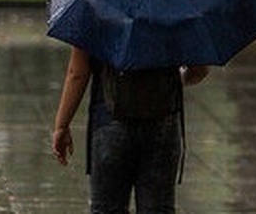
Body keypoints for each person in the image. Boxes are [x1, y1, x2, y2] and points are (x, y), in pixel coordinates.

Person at [51, 46, 209, 213]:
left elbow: (77, 73)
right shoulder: (176, 19)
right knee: (157, 208)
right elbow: (200, 70)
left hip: (109, 122)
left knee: (107, 208)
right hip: (164, 124)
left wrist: (62, 125)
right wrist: (177, 80)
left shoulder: (94, 19)